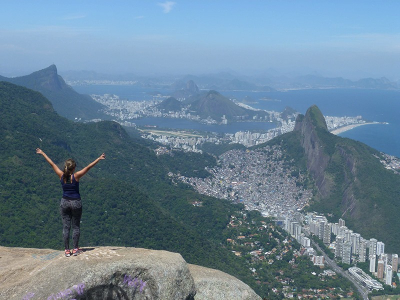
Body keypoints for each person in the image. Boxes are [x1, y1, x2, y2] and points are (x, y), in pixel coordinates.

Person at [36, 148, 106, 257]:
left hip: (64, 202)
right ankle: (75, 249)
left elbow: (52, 164)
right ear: (73, 168)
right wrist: (99, 158)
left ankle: (67, 250)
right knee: (76, 226)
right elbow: (88, 167)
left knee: (66, 227)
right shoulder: (76, 176)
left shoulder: (61, 175)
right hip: (76, 202)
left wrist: (43, 153)